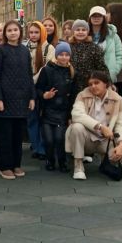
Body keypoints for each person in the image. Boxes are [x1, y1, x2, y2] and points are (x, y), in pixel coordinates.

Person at [0, 20, 35, 180]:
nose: (13, 33)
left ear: (20, 32)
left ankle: (16, 164)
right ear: (4, 33)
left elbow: (29, 75)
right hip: (5, 100)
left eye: (15, 30)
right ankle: (4, 166)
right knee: (5, 135)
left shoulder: (24, 50)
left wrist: (31, 96)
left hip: (21, 100)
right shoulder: (0, 51)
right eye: (9, 30)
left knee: (17, 135)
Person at [66, 71, 122, 180]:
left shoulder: (118, 99)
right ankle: (78, 165)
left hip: (106, 140)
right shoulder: (82, 95)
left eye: (96, 83)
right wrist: (100, 127)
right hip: (87, 138)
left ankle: (105, 159)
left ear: (106, 84)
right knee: (76, 127)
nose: (93, 86)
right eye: (90, 84)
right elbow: (76, 115)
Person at [35, 42, 75, 172]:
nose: (64, 57)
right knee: (49, 140)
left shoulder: (72, 72)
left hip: (62, 112)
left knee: (59, 138)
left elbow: (73, 95)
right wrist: (44, 95)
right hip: (47, 111)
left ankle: (62, 162)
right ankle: (50, 160)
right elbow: (38, 88)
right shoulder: (47, 70)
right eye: (61, 55)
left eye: (66, 55)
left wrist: (70, 115)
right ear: (56, 56)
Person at [26, 21, 54, 160]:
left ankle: (43, 148)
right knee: (31, 118)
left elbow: (47, 68)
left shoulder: (48, 48)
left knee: (43, 118)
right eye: (31, 32)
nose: (33, 35)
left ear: (42, 33)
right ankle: (36, 146)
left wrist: (33, 80)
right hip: (28, 88)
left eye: (36, 32)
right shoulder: (25, 47)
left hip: (42, 87)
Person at [69, 19, 109, 99]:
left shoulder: (94, 48)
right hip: (71, 86)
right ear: (73, 32)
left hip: (89, 85)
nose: (80, 32)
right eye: (78, 30)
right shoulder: (68, 47)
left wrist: (108, 83)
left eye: (83, 30)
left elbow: (102, 67)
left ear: (87, 32)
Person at [88, 6, 122, 84]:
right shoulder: (84, 34)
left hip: (107, 77)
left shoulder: (113, 35)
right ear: (90, 18)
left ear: (104, 18)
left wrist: (114, 71)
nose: (96, 18)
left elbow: (120, 55)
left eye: (99, 16)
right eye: (94, 16)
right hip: (88, 77)